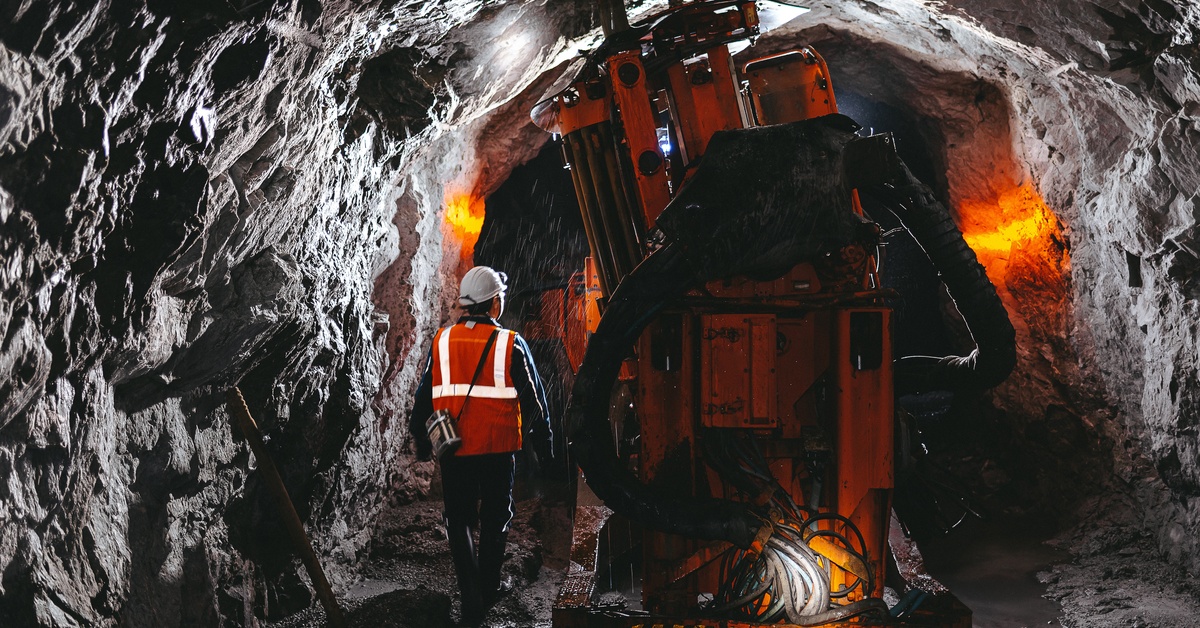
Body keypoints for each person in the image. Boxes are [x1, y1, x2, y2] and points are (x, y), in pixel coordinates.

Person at [409, 266, 554, 626]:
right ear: (493, 303)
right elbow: (535, 402)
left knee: (458, 519)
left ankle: (470, 594)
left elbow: (423, 394)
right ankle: (487, 587)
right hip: (496, 447)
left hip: (453, 448)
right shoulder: (511, 343)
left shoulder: (442, 340)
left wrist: (420, 439)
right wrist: (545, 450)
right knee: (494, 517)